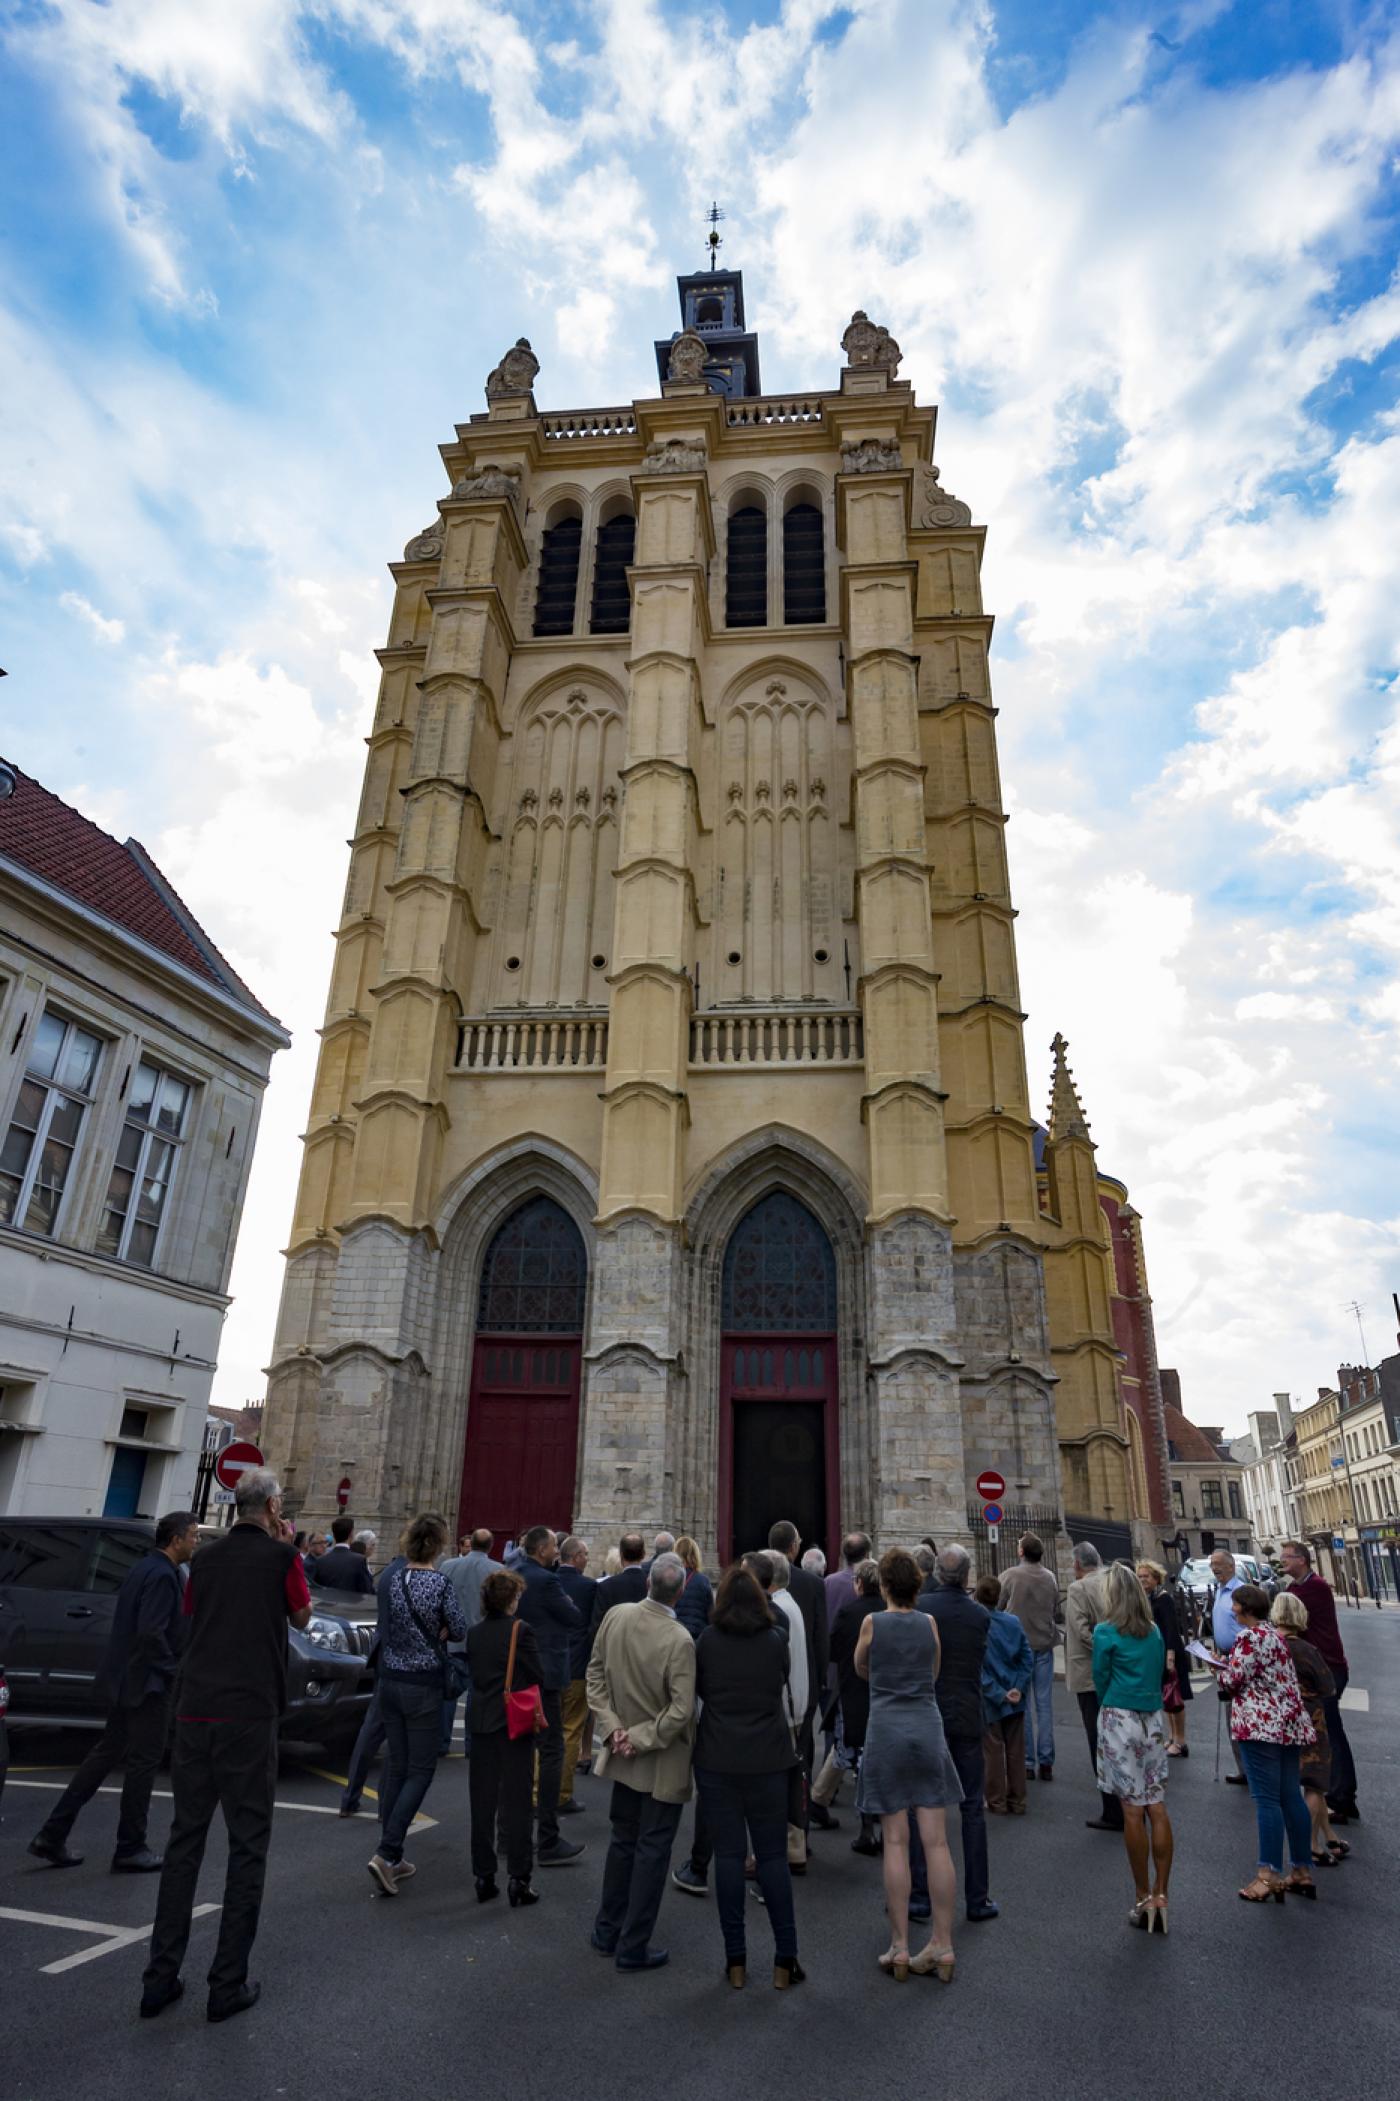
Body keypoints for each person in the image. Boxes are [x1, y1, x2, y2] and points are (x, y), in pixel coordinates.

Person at [139, 1468, 311, 2023]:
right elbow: (302, 1616)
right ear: (274, 1507)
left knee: (184, 1843)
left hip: (194, 1710)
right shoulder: (283, 1559)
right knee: (247, 1847)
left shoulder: (201, 1560)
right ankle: (226, 1984)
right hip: (249, 1713)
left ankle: (158, 1979)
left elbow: (193, 1620)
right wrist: (291, 1554)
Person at [30, 1510, 199, 1873]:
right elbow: (151, 1632)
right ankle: (130, 1846)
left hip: (128, 1680)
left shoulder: (144, 1568)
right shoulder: (162, 1575)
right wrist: (171, 1670)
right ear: (176, 1540)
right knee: (143, 1764)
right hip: (148, 1685)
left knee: (105, 1754)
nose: (196, 1542)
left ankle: (52, 1833)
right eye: (194, 1536)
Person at [586, 1553, 698, 1972]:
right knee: (652, 1851)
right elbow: (682, 1711)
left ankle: (605, 1931)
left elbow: (594, 1676)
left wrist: (614, 1729)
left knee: (622, 1843)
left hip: (621, 1755)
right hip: (659, 1761)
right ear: (681, 1590)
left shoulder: (616, 1615)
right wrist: (638, 1737)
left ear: (647, 1582)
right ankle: (633, 1946)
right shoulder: (680, 1639)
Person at [693, 1562, 802, 1988]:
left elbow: (701, 1689)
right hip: (769, 1761)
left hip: (718, 1759)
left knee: (730, 1857)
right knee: (773, 1857)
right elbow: (780, 1682)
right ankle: (785, 1959)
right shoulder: (776, 1640)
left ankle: (735, 1961)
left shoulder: (706, 1641)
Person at [854, 1547, 961, 1982]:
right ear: (917, 1585)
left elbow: (861, 1666)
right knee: (936, 1843)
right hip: (926, 1727)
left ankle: (899, 1947)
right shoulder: (929, 1623)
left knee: (896, 1841)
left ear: (883, 1586)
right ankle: (943, 1943)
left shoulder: (872, 1622)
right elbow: (933, 1672)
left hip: (886, 1730)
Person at [366, 1512, 465, 1896]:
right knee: (421, 1771)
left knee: (398, 1765)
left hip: (389, 1681)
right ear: (439, 1546)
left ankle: (395, 1853)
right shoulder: (438, 1583)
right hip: (422, 1686)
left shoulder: (391, 1579)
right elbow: (457, 1628)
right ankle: (387, 1851)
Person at [1209, 1581, 1317, 1902]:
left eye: (1235, 1606)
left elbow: (1232, 1680)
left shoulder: (1248, 1637)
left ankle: (1267, 1875)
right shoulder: (1274, 1635)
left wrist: (1217, 1667)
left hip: (1260, 1725)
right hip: (1288, 1722)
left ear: (1243, 1608)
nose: (1232, 1610)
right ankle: (1301, 1869)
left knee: (1267, 1800)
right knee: (1290, 1796)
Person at [913, 1545, 996, 1923]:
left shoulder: (923, 1609)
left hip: (930, 1714)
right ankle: (977, 1899)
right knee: (971, 1808)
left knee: (923, 1805)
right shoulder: (980, 1615)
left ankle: (918, 1896)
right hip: (965, 1714)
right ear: (965, 1576)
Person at [1092, 1564, 1173, 1933]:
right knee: (1156, 1805)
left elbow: (1100, 1679)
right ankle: (1162, 1894)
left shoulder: (1105, 1632)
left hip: (1120, 1719)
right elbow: (1157, 1674)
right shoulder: (1154, 1631)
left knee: (1131, 1811)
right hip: (1153, 1719)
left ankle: (1142, 1897)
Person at [466, 1569, 542, 1906]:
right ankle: (519, 1878)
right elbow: (537, 1674)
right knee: (517, 1802)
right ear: (511, 1599)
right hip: (511, 1724)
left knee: (482, 1802)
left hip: (480, 1721)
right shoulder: (520, 1630)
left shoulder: (475, 1632)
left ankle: (483, 1876)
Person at [516, 1525, 586, 1865]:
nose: (557, 1551)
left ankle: (509, 1835)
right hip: (547, 1675)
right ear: (542, 1549)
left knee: (519, 1750)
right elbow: (573, 1616)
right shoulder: (546, 1581)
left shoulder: (514, 1572)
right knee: (552, 1749)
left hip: (519, 1675)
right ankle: (547, 1839)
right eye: (553, 1548)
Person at [1279, 1540, 1358, 1824]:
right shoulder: (1297, 1588)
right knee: (1325, 1732)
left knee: (1330, 1734)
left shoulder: (1313, 1588)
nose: (1282, 1560)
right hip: (1315, 1668)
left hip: (1327, 1668)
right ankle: (1337, 1796)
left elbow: (1289, 1623)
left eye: (1287, 1556)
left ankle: (1342, 1797)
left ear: (1302, 1559)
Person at [768, 1520, 829, 1867]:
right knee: (800, 1760)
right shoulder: (811, 1584)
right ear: (793, 1548)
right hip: (802, 1689)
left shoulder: (751, 1582)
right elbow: (820, 1638)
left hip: (766, 1688)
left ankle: (769, 1839)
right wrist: (820, 1682)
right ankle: (798, 1835)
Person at [814, 1558, 884, 1849]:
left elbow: (832, 1650)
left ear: (859, 1584)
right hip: (883, 1697)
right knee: (865, 1753)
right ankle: (822, 1798)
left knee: (849, 1748)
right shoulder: (890, 1612)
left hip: (853, 1692)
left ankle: (825, 1801)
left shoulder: (849, 1611)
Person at [1269, 1590, 1342, 1866]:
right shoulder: (1305, 1650)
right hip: (1308, 1721)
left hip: (1276, 1721)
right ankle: (1311, 1845)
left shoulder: (1268, 1645)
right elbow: (1328, 1687)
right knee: (1314, 1783)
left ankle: (1329, 1836)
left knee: (1296, 1784)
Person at [759, 1547, 810, 1869]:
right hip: (795, 1704)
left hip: (781, 1708)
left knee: (773, 1785)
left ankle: (776, 1855)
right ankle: (794, 1849)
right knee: (791, 1780)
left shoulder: (777, 1611)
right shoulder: (791, 1606)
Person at [1065, 1542, 1122, 1831]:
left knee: (1098, 1740)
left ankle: (1112, 1810)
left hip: (1091, 1675)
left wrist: (1106, 1650)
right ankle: (1129, 1802)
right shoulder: (1114, 1580)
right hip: (1119, 1672)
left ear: (1077, 1565)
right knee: (1118, 1736)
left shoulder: (1078, 1589)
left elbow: (1080, 1629)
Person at [997, 1532, 1062, 1781]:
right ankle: (1046, 1762)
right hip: (1044, 1645)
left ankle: (1027, 1761)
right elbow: (1055, 1607)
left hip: (1018, 1648)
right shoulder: (1051, 1577)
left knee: (1021, 1703)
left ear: (1022, 1552)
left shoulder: (1010, 1576)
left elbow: (998, 1606)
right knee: (1044, 1705)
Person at [439, 1526, 503, 1755]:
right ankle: (471, 1744)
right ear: (490, 1545)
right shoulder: (498, 1570)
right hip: (483, 1640)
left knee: (449, 1690)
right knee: (477, 1693)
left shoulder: (447, 1566)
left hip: (451, 1638)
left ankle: (442, 1743)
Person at [974, 1572, 1033, 1816]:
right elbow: (1026, 1657)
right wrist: (1018, 1687)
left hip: (991, 1697)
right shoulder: (1013, 1622)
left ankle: (996, 1800)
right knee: (1016, 1750)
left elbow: (977, 1667)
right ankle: (1018, 1799)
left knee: (993, 1750)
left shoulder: (978, 1625)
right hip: (1014, 1693)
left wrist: (997, 1692)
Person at [556, 1535, 597, 1813]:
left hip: (547, 1666)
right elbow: (593, 1627)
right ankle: (561, 1794)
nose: (587, 1559)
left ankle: (536, 1791)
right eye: (584, 1554)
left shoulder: (546, 1582)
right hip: (576, 1665)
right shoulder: (589, 1587)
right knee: (571, 1731)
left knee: (545, 1731)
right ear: (575, 1557)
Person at [1138, 1560, 1191, 1756]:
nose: (1143, 1579)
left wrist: (1170, 1656)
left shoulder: (1163, 1598)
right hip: (1158, 1653)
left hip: (1171, 1653)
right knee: (1167, 1698)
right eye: (1140, 1576)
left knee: (1175, 1699)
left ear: (1156, 1578)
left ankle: (1181, 1740)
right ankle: (1171, 1737)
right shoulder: (1147, 1598)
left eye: (1147, 1576)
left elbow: (1171, 1629)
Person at [1208, 1549, 1249, 1783]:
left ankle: (1249, 1768)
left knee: (1240, 1714)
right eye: (1212, 1565)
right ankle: (1243, 1769)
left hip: (1239, 1658)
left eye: (1219, 1564)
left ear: (1231, 1566)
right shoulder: (1220, 1591)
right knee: (1231, 1716)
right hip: (1224, 1658)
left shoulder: (1240, 1591)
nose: (1215, 1569)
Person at [589, 1532, 649, 1635]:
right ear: (643, 1554)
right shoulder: (653, 1585)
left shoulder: (606, 1586)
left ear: (621, 1555)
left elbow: (597, 1626)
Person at [310, 1516, 374, 1594]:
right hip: (350, 1605)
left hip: (326, 1605)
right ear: (351, 1535)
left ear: (334, 1536)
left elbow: (315, 1590)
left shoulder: (320, 1561)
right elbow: (366, 1589)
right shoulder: (359, 1560)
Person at [825, 1532, 872, 1631]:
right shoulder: (872, 1582)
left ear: (844, 1554)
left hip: (833, 1641)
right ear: (867, 1554)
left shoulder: (828, 1582)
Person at [672, 1536, 714, 1641]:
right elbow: (711, 1612)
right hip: (697, 1635)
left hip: (674, 1634)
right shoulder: (703, 1580)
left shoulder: (669, 1577)